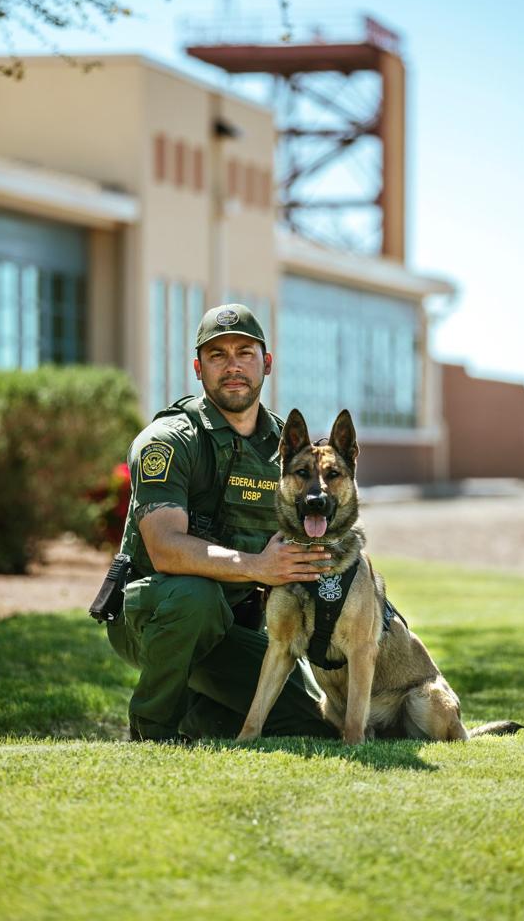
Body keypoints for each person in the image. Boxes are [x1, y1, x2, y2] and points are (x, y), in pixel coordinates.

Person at [107, 303, 337, 742]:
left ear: (266, 363)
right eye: (218, 356)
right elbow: (165, 547)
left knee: (311, 720)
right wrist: (257, 566)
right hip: (154, 615)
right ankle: (151, 730)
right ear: (198, 368)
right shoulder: (170, 440)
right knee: (196, 596)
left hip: (231, 625)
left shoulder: (285, 450)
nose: (232, 366)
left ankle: (202, 715)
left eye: (245, 353)